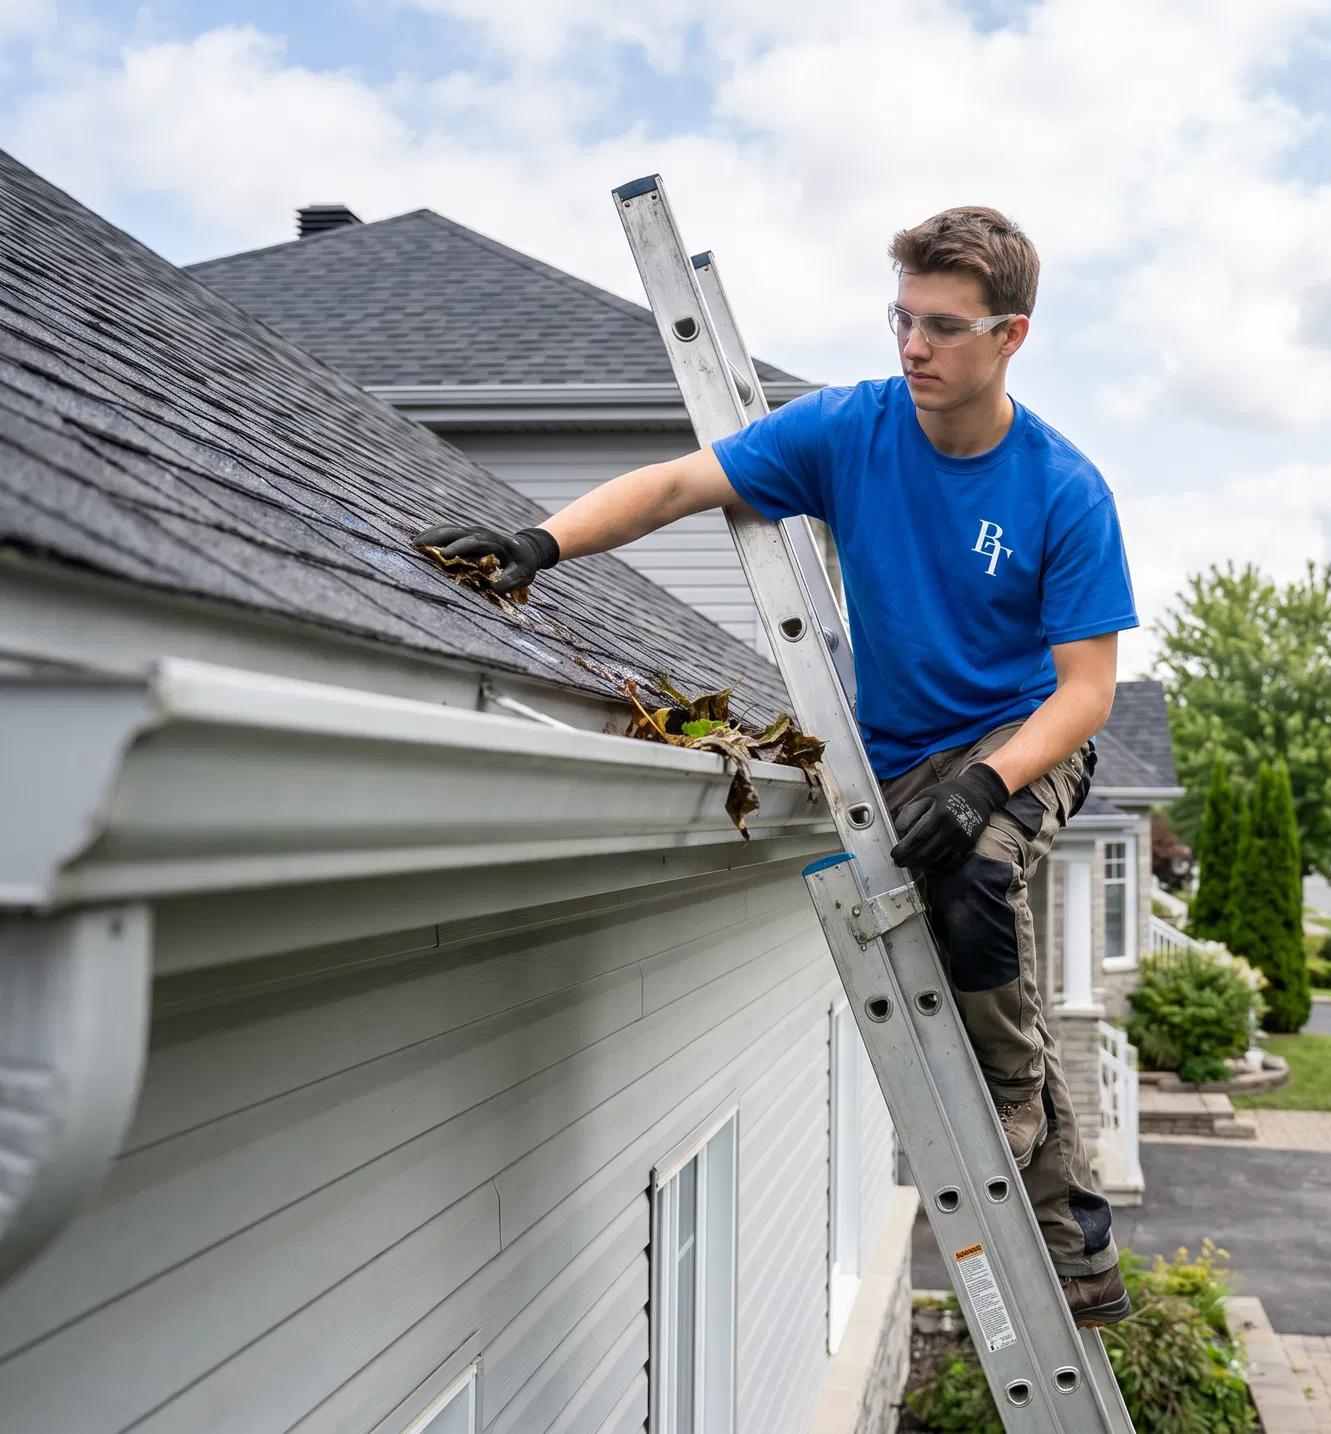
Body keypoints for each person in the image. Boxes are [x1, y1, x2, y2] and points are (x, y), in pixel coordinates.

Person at [417, 206, 1138, 1326]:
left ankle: (1006, 1115)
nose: (913, 347)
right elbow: (677, 484)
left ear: (1012, 336)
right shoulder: (851, 431)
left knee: (979, 876)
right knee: (963, 931)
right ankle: (1078, 1245)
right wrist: (539, 546)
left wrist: (991, 781)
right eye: (901, 318)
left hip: (1023, 738)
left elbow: (1086, 693)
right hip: (896, 750)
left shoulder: (1062, 488)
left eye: (943, 327)